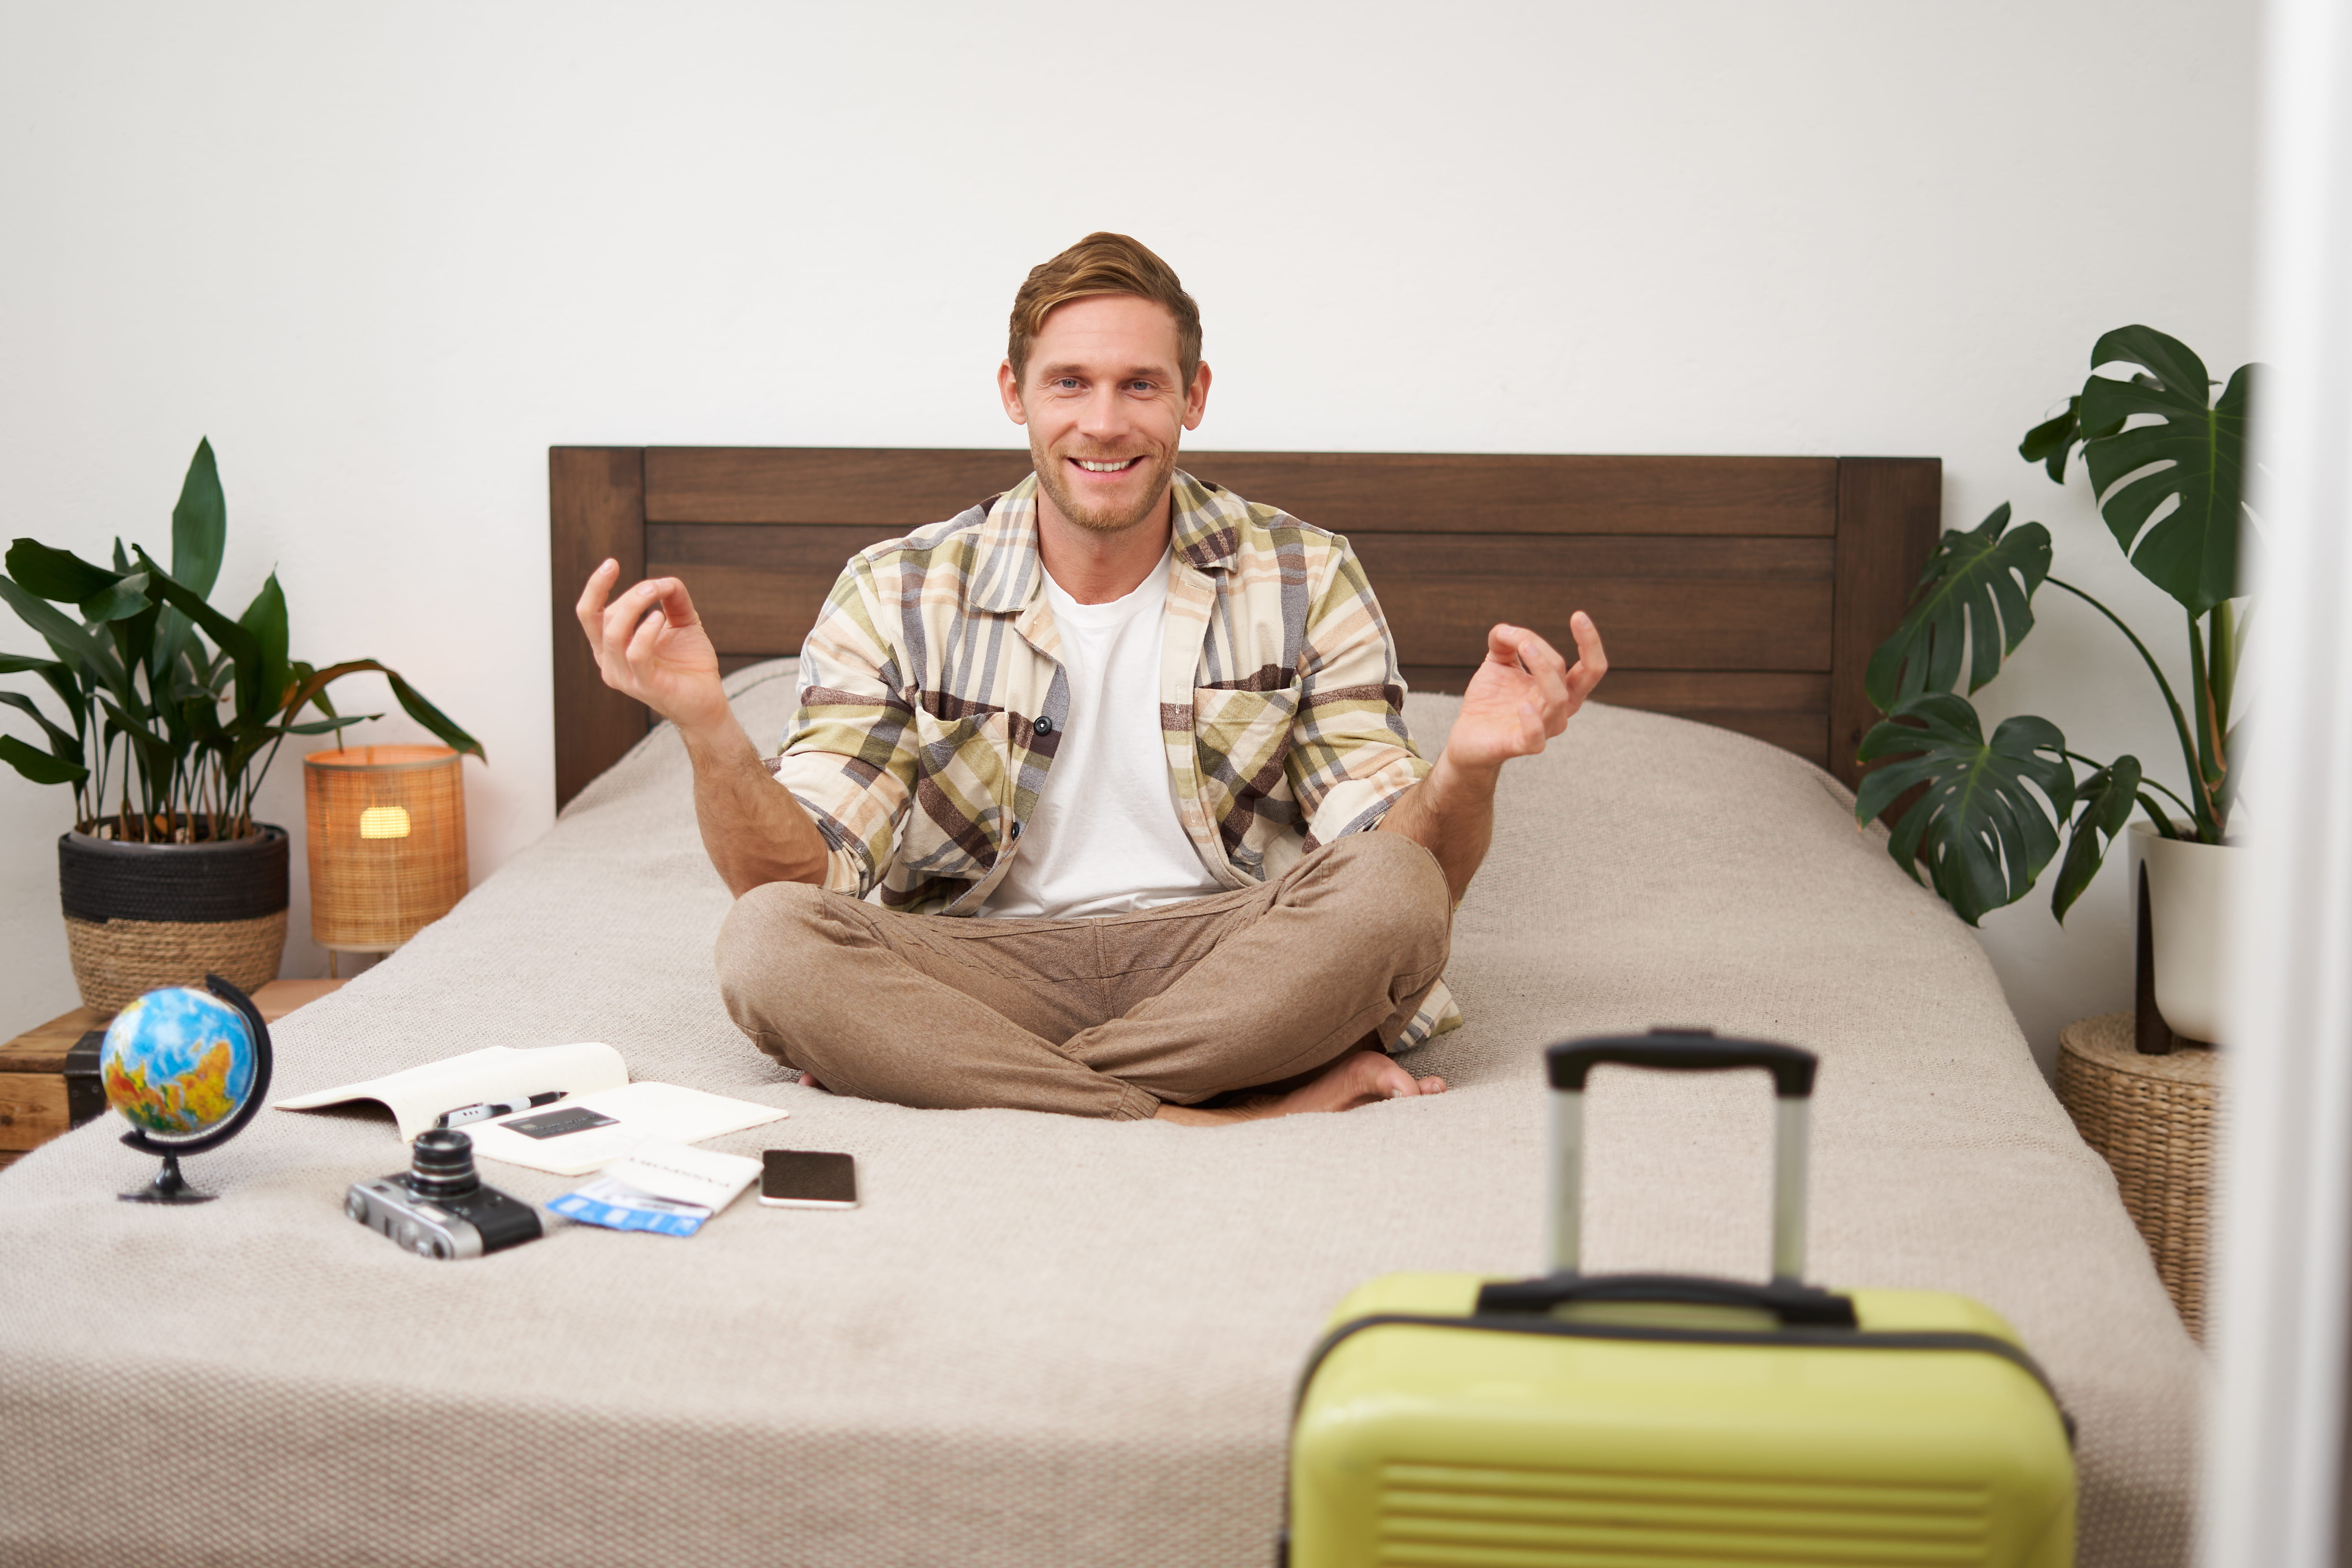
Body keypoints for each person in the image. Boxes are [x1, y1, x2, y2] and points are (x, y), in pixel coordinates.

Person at [575, 233, 1606, 1125]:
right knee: (767, 942)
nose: (1104, 422)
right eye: (1069, 382)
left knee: (1397, 889)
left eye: (1140, 385)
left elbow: (1400, 868)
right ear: (1014, 394)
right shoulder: (896, 588)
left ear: (1193, 396)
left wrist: (1467, 772)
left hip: (1231, 959)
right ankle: (1198, 1112)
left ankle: (986, 1079)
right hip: (984, 966)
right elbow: (808, 883)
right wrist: (708, 728)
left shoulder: (1304, 573)